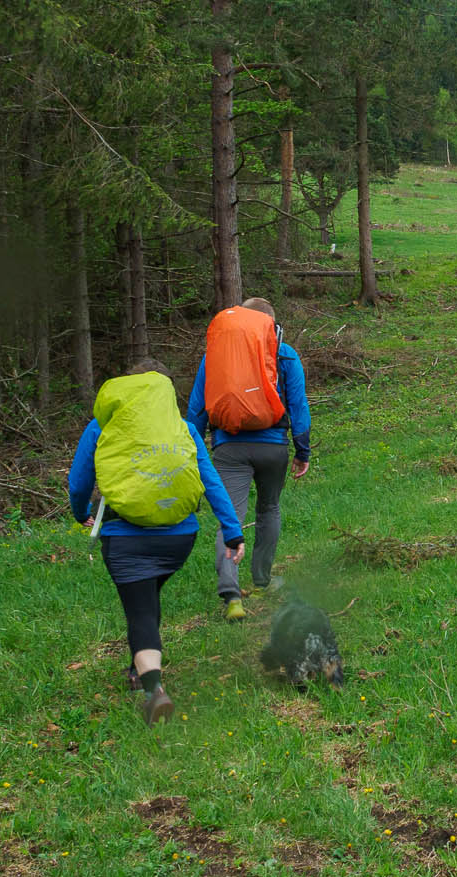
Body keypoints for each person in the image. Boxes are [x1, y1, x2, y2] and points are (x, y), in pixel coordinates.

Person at [68, 358, 244, 725]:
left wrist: (80, 510)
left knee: (140, 612)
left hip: (126, 539)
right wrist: (232, 531)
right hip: (179, 538)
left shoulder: (102, 425)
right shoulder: (183, 429)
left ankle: (154, 690)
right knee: (147, 598)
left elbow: (79, 481)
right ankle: (136, 671)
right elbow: (211, 483)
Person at [186, 297, 312, 620]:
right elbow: (298, 406)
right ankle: (261, 580)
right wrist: (302, 449)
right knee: (269, 508)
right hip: (273, 448)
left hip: (229, 448)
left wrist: (192, 445)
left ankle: (231, 596)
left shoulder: (215, 355)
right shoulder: (285, 353)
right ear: (271, 324)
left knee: (231, 516)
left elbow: (197, 408)